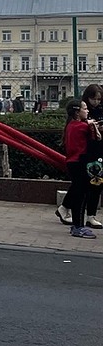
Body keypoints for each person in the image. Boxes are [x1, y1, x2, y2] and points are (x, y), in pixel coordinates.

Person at [60, 99, 98, 238]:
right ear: (77, 112)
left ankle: (77, 225)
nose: (87, 111)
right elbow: (95, 136)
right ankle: (78, 227)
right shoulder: (81, 126)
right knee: (81, 196)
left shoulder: (71, 125)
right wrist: (92, 124)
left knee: (78, 194)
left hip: (73, 163)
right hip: (80, 162)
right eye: (85, 108)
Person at [80, 84, 103, 228]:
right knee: (83, 184)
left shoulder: (101, 110)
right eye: (93, 99)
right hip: (87, 152)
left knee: (97, 182)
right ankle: (78, 215)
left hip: (99, 150)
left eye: (99, 99)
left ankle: (91, 215)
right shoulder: (82, 112)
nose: (96, 102)